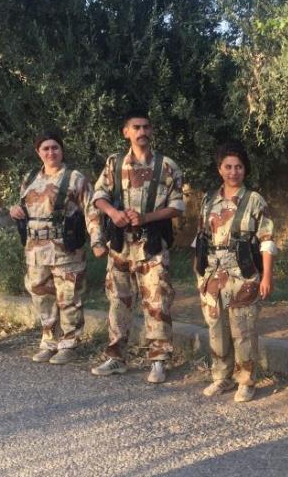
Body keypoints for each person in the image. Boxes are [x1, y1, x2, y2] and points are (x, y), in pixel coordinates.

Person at [90, 110, 184, 384]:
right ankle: (116, 357)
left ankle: (158, 360)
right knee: (118, 300)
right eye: (136, 127)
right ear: (126, 132)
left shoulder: (166, 166)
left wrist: (146, 217)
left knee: (157, 301)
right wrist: (112, 213)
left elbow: (177, 206)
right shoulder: (114, 163)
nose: (141, 132)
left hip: (151, 244)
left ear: (151, 131)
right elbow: (99, 195)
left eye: (145, 127)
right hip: (121, 244)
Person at [194, 140, 276, 403]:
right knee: (216, 329)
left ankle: (246, 380)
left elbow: (267, 241)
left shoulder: (254, 201)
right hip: (212, 275)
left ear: (245, 169)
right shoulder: (209, 200)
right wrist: (199, 275)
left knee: (243, 331)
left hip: (242, 274)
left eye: (238, 167)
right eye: (228, 167)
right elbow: (201, 238)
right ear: (220, 169)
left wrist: (266, 276)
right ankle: (221, 377)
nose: (233, 172)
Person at [9, 131, 98, 364]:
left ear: (62, 150)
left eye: (55, 148)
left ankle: (69, 343)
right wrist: (15, 211)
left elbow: (91, 211)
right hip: (36, 250)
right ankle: (49, 341)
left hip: (65, 248)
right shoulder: (30, 178)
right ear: (38, 152)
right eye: (46, 148)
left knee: (68, 296)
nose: (51, 153)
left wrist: (98, 241)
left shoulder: (75, 178)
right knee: (41, 295)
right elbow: (24, 207)